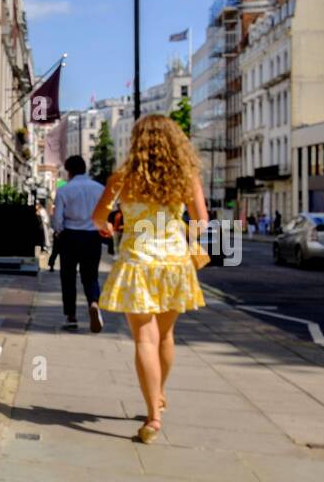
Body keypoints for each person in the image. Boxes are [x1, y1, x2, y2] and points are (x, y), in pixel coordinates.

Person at [92, 115, 207, 443]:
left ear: (137, 142)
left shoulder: (123, 178)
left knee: (145, 338)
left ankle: (153, 417)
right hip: (174, 265)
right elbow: (201, 221)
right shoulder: (186, 177)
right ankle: (159, 394)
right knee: (166, 336)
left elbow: (99, 217)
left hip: (138, 264)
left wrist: (108, 226)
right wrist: (179, 232)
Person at [50, 155, 106, 331]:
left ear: (69, 171)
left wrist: (58, 232)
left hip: (70, 236)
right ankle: (94, 302)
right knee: (90, 275)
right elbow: (104, 214)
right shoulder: (99, 188)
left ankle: (71, 316)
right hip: (92, 236)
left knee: (68, 277)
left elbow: (57, 219)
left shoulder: (64, 190)